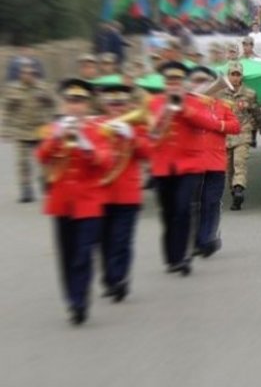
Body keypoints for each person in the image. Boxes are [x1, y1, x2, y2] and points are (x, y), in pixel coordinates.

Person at [36, 78, 112, 325]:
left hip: (88, 203)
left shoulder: (96, 130)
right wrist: (58, 136)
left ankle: (80, 302)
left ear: (87, 105)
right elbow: (41, 156)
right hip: (61, 203)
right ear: (64, 103)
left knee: (83, 254)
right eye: (70, 101)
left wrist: (83, 141)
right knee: (67, 255)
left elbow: (105, 161)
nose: (74, 106)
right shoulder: (53, 129)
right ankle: (71, 299)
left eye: (79, 101)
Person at [148, 62, 228, 276]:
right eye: (169, 81)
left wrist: (183, 107)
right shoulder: (154, 103)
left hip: (189, 166)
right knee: (168, 213)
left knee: (183, 209)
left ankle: (183, 257)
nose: (173, 85)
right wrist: (166, 110)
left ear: (182, 83)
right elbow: (152, 133)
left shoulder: (194, 101)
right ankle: (172, 257)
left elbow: (206, 123)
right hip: (163, 167)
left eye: (177, 81)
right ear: (165, 83)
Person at [94, 84, 152, 301]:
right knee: (104, 240)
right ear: (105, 105)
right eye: (112, 103)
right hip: (101, 193)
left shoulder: (136, 126)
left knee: (122, 239)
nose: (116, 108)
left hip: (127, 194)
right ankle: (109, 277)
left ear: (127, 105)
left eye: (120, 103)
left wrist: (131, 137)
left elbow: (148, 152)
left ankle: (120, 279)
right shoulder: (96, 125)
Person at [188, 67, 240, 258]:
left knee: (211, 202)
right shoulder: (191, 103)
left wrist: (218, 125)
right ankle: (195, 241)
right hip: (194, 162)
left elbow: (235, 126)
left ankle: (207, 238)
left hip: (216, 162)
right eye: (198, 80)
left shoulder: (224, 105)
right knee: (194, 204)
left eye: (207, 81)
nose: (204, 85)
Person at [2, 60, 56, 202]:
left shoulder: (43, 88)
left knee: (45, 160)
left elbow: (54, 104)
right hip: (22, 130)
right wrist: (4, 129)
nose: (28, 75)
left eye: (31, 73)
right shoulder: (13, 89)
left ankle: (46, 184)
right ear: (20, 74)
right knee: (23, 162)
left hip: (40, 129)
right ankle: (26, 188)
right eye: (24, 73)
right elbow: (6, 110)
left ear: (35, 74)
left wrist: (53, 122)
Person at [222, 61, 261, 210]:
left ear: (242, 76)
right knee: (229, 168)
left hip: (243, 132)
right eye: (232, 74)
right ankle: (234, 192)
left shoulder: (249, 93)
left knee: (239, 163)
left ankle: (239, 189)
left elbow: (256, 111)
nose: (235, 78)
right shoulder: (220, 93)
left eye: (238, 75)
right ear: (228, 76)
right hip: (226, 135)